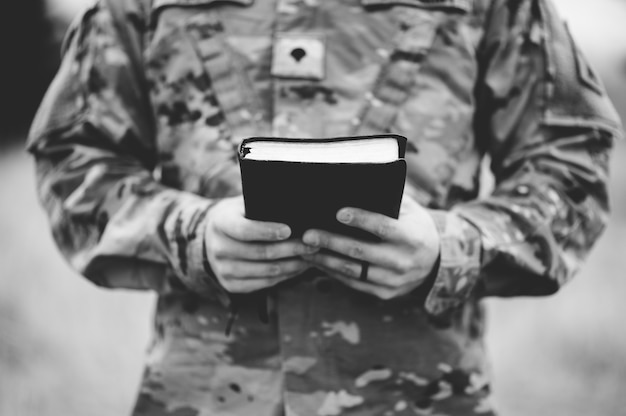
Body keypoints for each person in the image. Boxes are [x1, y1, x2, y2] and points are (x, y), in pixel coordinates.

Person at [27, 0, 622, 415]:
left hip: (421, 399)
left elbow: (570, 159)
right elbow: (73, 154)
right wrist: (191, 234)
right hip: (202, 397)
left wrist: (452, 249)